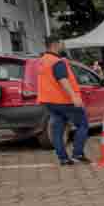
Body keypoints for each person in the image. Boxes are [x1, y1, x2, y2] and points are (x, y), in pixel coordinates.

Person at [37, 37, 90, 166]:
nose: (63, 46)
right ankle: (78, 154)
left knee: (57, 130)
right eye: (61, 43)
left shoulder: (42, 61)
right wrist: (74, 97)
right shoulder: (57, 61)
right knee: (82, 125)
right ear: (55, 45)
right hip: (64, 101)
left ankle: (63, 159)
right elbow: (62, 80)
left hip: (49, 101)